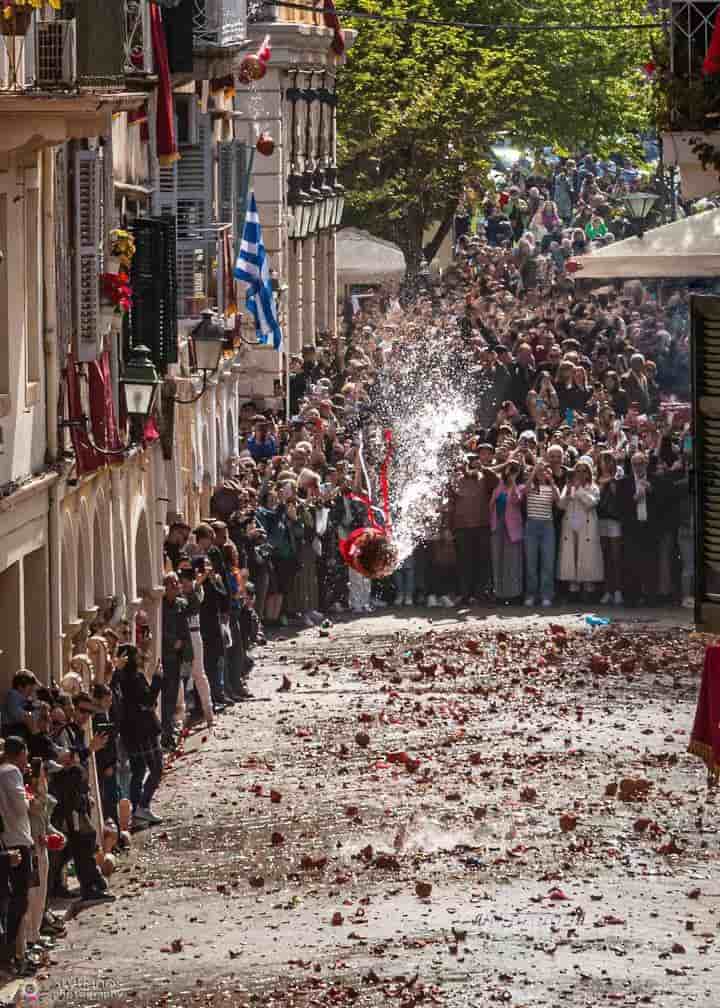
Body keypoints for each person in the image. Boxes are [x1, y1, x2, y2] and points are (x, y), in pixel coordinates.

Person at [114, 645, 164, 826]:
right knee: (156, 768)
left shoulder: (121, 679)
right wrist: (157, 680)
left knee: (139, 771)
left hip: (131, 732)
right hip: (142, 732)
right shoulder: (132, 679)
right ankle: (142, 805)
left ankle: (137, 809)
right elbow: (149, 700)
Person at [0, 737, 34, 975]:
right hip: (17, 841)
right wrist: (28, 798)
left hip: (8, 840)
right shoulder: (11, 771)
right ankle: (11, 954)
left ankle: (14, 954)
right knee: (18, 901)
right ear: (19, 752)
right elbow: (21, 807)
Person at [557, 457, 604, 596]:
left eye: (584, 471)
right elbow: (561, 505)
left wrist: (579, 490)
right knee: (572, 553)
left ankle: (588, 587)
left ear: (589, 473)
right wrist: (569, 492)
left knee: (587, 554)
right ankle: (574, 587)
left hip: (587, 524)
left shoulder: (593, 487)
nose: (581, 474)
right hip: (571, 523)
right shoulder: (568, 486)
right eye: (578, 471)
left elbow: (591, 503)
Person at [160, 572, 192, 749]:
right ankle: (165, 731)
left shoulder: (180, 605)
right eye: (172, 585)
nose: (176, 588)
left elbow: (186, 623)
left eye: (176, 585)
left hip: (178, 656)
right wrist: (173, 641)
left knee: (174, 695)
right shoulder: (161, 606)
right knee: (166, 696)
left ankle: (170, 728)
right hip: (166, 655)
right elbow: (160, 629)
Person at [524, 460, 560, 607]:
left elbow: (558, 500)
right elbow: (524, 491)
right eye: (539, 471)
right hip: (531, 525)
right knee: (531, 563)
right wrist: (534, 471)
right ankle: (531, 594)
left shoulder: (551, 487)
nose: (541, 473)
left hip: (547, 526)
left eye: (543, 471)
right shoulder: (531, 486)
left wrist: (551, 480)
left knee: (547, 562)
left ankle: (546, 595)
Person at [489, 460, 525, 602]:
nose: (511, 473)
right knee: (497, 560)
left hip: (512, 528)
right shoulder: (499, 485)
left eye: (515, 470)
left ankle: (514, 594)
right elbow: (489, 470)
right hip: (497, 525)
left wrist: (514, 481)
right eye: (510, 470)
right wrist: (506, 463)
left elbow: (517, 499)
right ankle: (499, 594)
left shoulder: (520, 486)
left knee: (512, 561)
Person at [596, 450, 624, 605]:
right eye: (603, 460)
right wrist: (602, 484)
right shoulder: (596, 479)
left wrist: (612, 483)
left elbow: (619, 498)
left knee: (616, 557)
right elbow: (596, 498)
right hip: (600, 520)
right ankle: (608, 591)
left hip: (614, 521)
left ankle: (618, 590)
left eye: (609, 460)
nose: (606, 463)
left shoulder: (618, 477)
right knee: (605, 557)